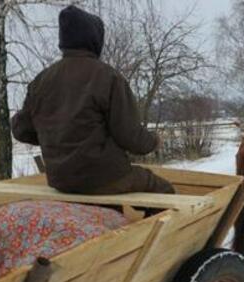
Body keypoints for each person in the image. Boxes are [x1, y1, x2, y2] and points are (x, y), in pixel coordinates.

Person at [11, 5, 174, 195]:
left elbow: (21, 130)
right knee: (164, 189)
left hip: (61, 180)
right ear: (95, 40)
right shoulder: (108, 77)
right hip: (104, 177)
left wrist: (55, 135)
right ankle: (150, 225)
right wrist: (153, 141)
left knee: (110, 191)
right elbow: (129, 136)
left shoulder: (40, 81)